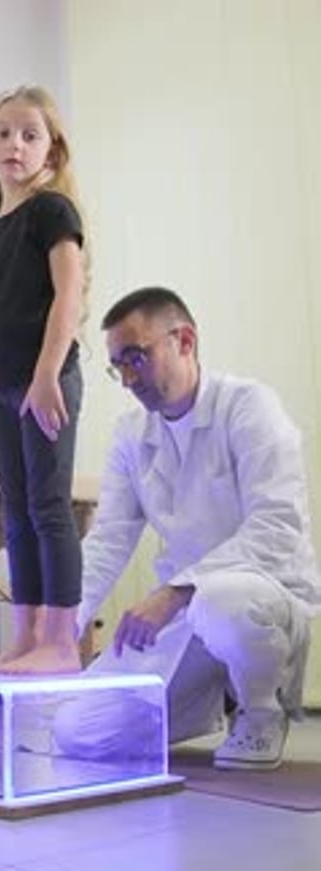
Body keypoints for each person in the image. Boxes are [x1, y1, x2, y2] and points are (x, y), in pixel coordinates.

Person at [55, 286, 320, 770]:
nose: (129, 378)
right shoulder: (132, 435)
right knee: (77, 733)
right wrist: (61, 628)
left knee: (220, 603)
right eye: (119, 365)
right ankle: (217, 696)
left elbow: (276, 526)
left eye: (137, 356)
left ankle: (261, 709)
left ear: (185, 341)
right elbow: (109, 539)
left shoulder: (249, 407)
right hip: (184, 616)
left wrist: (176, 591)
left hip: (258, 599)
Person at [0, 86, 87, 675]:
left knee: (48, 505)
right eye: (3, 133)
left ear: (52, 151)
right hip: (2, 384)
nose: (15, 144)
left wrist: (46, 375)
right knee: (14, 512)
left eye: (29, 134)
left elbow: (69, 294)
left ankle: (61, 643)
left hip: (46, 380)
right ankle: (26, 635)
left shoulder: (51, 213)